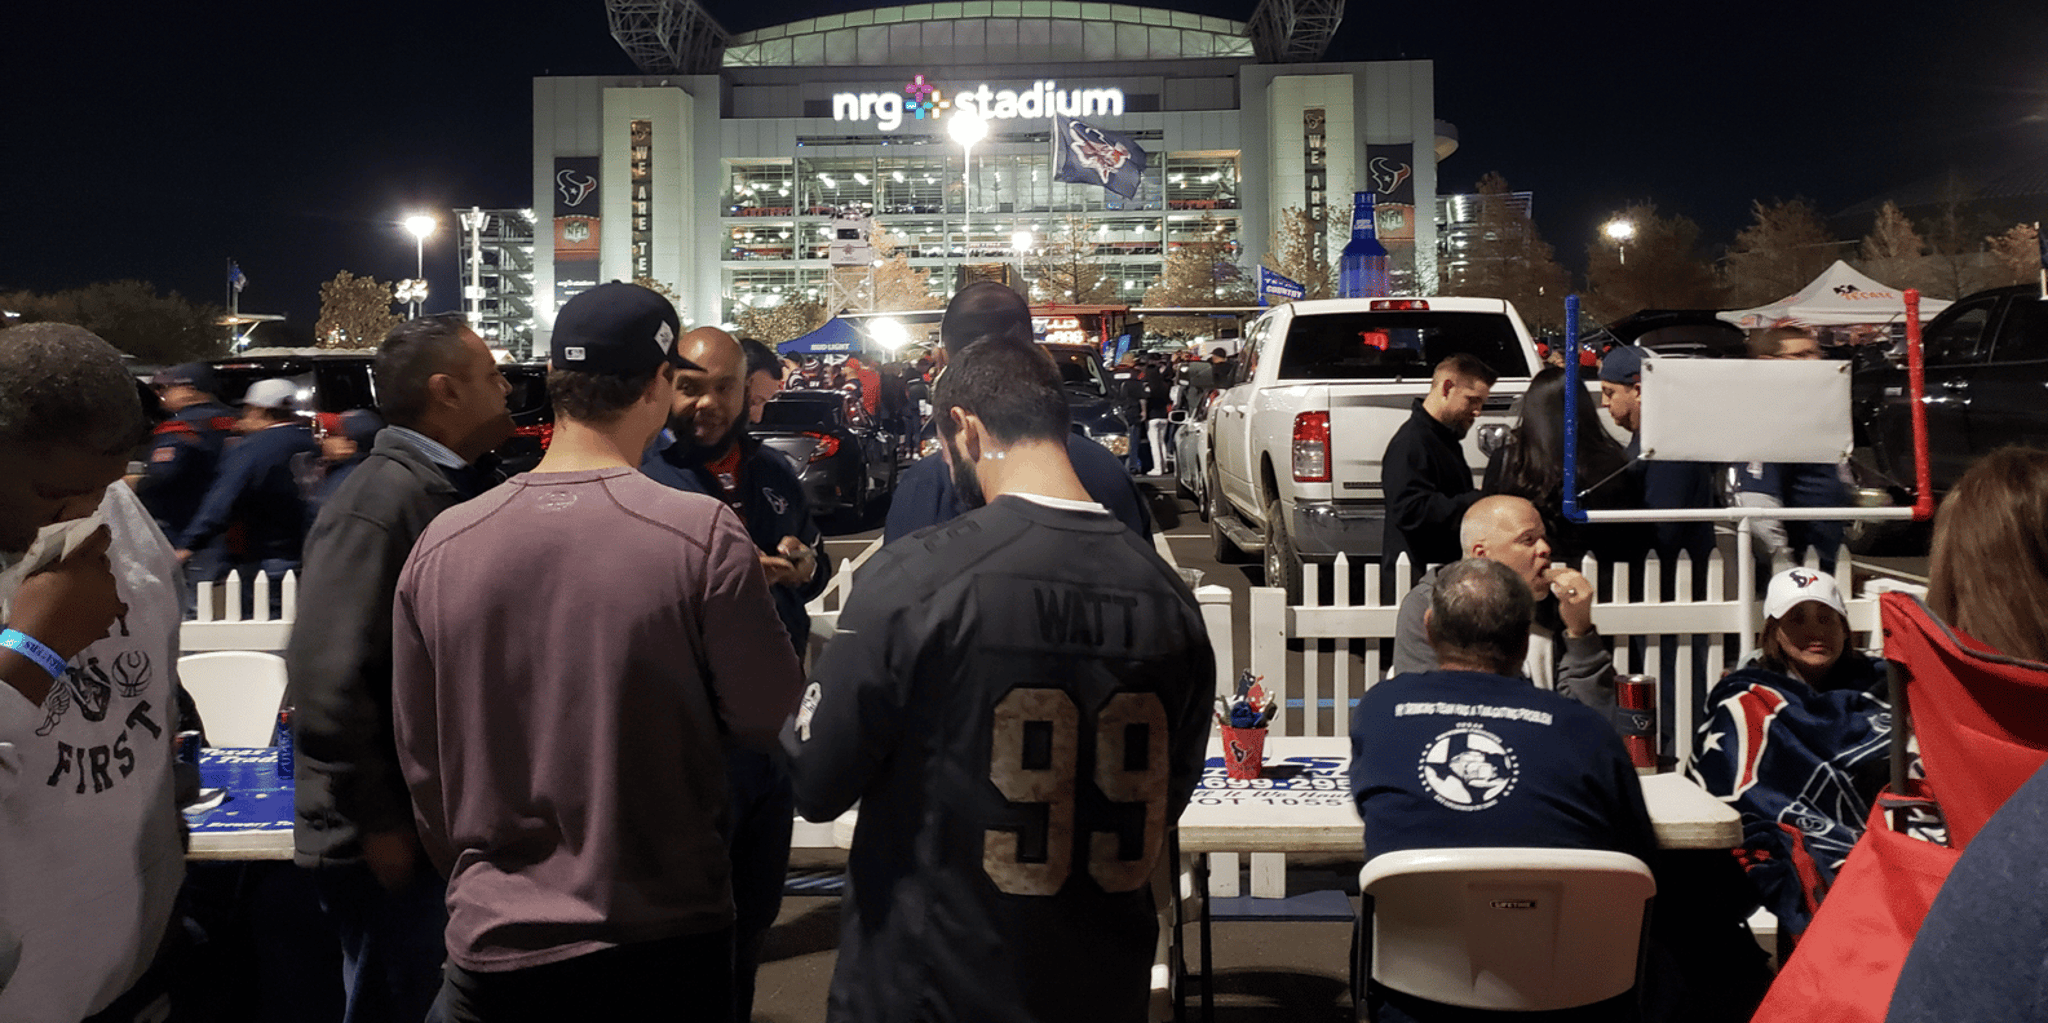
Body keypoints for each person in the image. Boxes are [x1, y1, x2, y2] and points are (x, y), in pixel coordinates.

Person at [391, 283, 803, 1022]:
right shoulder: (700, 534)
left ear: (555, 380)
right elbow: (767, 712)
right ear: (659, 384)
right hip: (659, 933)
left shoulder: (444, 543)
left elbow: (425, 764)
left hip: (495, 936)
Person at [783, 335, 1215, 1022]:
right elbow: (1170, 798)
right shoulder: (1168, 597)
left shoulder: (918, 575)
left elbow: (816, 777)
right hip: (1100, 984)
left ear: (966, 427)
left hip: (930, 983)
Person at [287, 312, 514, 1023]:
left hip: (428, 829)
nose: (507, 388)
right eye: (491, 376)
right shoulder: (381, 504)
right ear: (447, 391)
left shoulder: (447, 487)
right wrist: (382, 825)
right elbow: (329, 684)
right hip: (388, 843)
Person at [1351, 556, 1656, 1023]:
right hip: (1576, 997)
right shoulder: (1586, 730)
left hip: (1416, 998)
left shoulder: (1381, 711)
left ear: (1429, 628)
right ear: (1524, 639)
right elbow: (1640, 855)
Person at [639, 326, 827, 1023]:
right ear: (667, 386)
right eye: (692, 386)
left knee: (752, 923)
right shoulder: (642, 475)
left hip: (768, 743)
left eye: (725, 387)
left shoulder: (772, 472)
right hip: (686, 746)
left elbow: (813, 563)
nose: (708, 403)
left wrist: (803, 565)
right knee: (683, 939)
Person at [0, 323, 186, 1022]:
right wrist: (35, 649)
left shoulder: (109, 502)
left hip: (134, 966)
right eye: (54, 494)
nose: (81, 515)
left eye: (102, 488)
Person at [1689, 567, 1889, 947]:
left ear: (1845, 628)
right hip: (1783, 844)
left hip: (1877, 840)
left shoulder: (1880, 689)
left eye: (1826, 618)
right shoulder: (1747, 695)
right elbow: (1732, 779)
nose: (1815, 632)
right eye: (1797, 619)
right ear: (1774, 632)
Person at [884, 281, 1152, 542]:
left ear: (942, 359)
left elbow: (897, 567)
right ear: (1038, 353)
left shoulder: (926, 483)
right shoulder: (1105, 469)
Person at [1390, 495, 1613, 710]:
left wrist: (1580, 632)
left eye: (1544, 538)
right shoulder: (1434, 604)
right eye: (1528, 539)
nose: (1545, 549)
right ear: (1482, 555)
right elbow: (1426, 705)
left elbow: (1591, 714)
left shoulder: (1555, 604)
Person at [175, 376, 319, 617]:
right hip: (309, 553)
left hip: (265, 557)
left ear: (259, 410)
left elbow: (223, 499)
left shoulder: (255, 447)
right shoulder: (311, 443)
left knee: (263, 627)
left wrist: (189, 544)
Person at [1482, 365, 1648, 568]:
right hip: (1598, 572)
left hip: (1523, 574)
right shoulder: (1611, 461)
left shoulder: (1507, 460)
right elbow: (1628, 532)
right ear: (1583, 408)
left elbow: (1488, 522)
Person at [1729, 326, 1851, 578]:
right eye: (1801, 355)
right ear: (1767, 363)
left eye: (1817, 354)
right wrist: (1785, 570)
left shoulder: (1819, 410)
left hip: (1828, 565)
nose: (1815, 361)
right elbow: (1757, 504)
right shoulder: (1764, 418)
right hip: (1797, 579)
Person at [1381, 353, 1497, 576]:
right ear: (1447, 388)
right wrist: (1477, 500)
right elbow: (1411, 512)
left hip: (1434, 575)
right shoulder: (1412, 442)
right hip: (1417, 578)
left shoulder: (1441, 439)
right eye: (1472, 400)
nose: (1478, 411)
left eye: (1481, 402)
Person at [135, 362, 238, 598]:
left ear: (189, 389)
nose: (163, 394)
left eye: (168, 387)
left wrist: (134, 484)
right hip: (230, 534)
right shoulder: (235, 422)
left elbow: (163, 477)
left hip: (183, 532)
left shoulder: (181, 427)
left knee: (188, 605)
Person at [297, 408, 385, 527]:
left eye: (334, 434)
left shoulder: (340, 484)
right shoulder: (382, 470)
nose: (324, 440)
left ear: (350, 444)